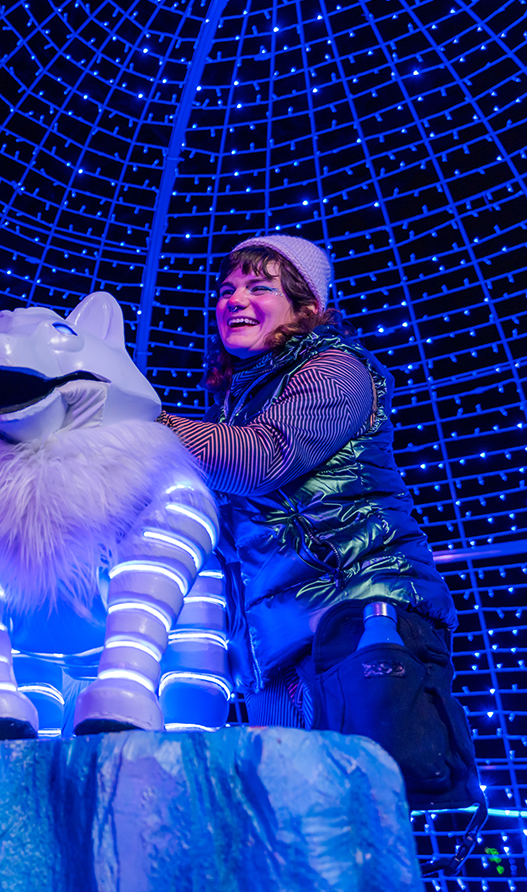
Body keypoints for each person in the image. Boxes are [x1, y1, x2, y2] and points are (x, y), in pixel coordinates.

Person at [156, 234, 483, 815]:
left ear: (307, 306)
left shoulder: (336, 369)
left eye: (260, 288)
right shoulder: (242, 399)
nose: (235, 299)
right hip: (275, 645)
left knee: (358, 814)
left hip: (354, 614)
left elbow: (262, 458)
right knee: (296, 822)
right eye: (226, 289)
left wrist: (148, 421)